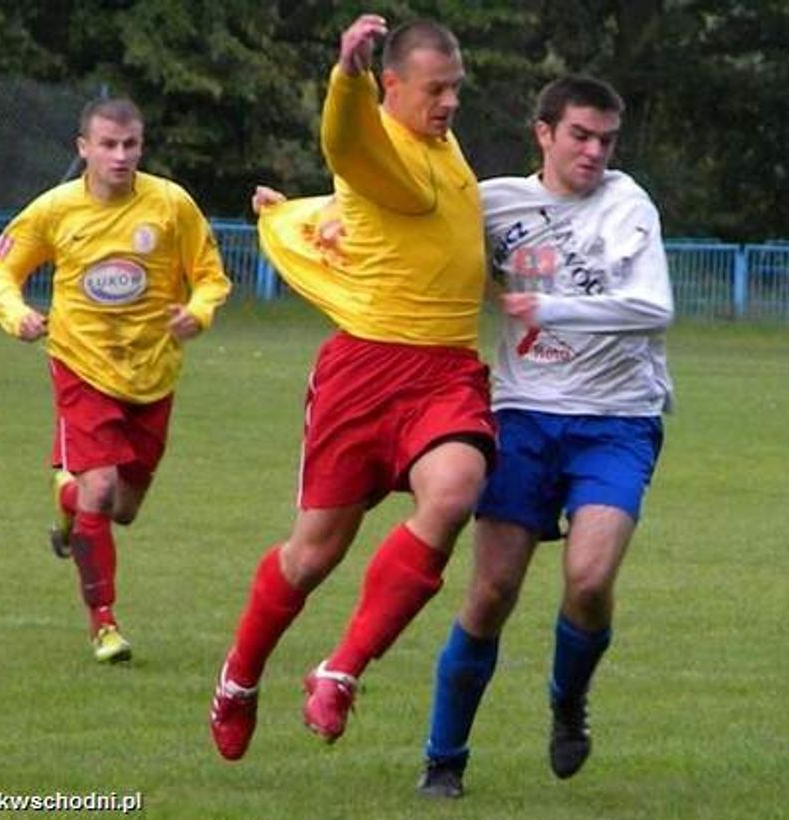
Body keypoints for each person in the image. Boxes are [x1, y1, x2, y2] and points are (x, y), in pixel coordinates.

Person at [208, 13, 494, 761]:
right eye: (436, 89)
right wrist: (345, 76)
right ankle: (238, 680)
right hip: (365, 375)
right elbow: (344, 142)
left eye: (456, 88)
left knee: (456, 490)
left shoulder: (438, 139)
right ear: (390, 87)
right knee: (312, 556)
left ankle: (339, 670)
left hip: (446, 371)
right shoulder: (376, 145)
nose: (450, 102)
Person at [416, 75, 674, 798]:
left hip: (618, 419)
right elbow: (408, 222)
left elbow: (654, 307)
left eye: (607, 139)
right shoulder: (494, 203)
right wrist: (323, 219)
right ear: (544, 133)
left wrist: (552, 310)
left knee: (589, 582)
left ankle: (567, 700)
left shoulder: (627, 204)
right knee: (493, 590)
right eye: (580, 136)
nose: (595, 152)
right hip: (523, 413)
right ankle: (444, 758)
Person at [0, 97, 231, 664]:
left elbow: (212, 277)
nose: (120, 156)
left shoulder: (171, 205)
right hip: (81, 364)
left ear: (141, 146)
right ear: (83, 148)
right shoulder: (54, 210)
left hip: (152, 372)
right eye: (109, 145)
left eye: (131, 145)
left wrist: (199, 311)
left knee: (123, 507)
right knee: (100, 490)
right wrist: (15, 313)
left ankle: (66, 497)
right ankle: (104, 625)